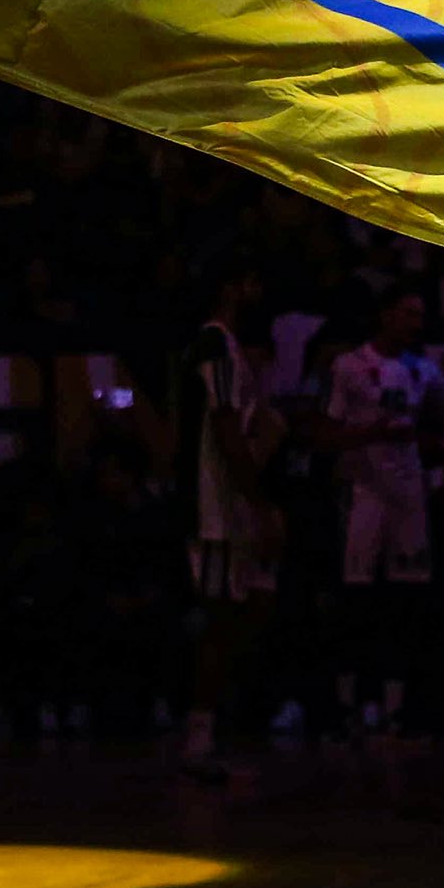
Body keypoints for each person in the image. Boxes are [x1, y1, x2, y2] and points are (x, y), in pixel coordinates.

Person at [174, 263, 283, 780]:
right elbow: (223, 427)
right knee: (218, 620)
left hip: (227, 504)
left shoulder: (227, 347)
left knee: (242, 610)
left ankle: (213, 724)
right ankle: (198, 735)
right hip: (214, 506)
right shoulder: (214, 343)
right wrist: (258, 503)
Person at [326, 285, 444, 733]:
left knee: (404, 603)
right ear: (385, 315)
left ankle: (394, 708)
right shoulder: (350, 367)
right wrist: (369, 434)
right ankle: (347, 703)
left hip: (409, 498)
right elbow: (329, 430)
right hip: (363, 494)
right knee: (355, 601)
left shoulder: (425, 372)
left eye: (420, 315)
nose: (416, 323)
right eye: (408, 313)